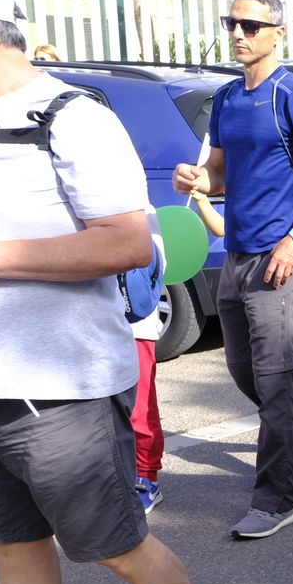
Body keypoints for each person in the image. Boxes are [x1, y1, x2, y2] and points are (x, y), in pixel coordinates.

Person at [0, 0, 249, 584]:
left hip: (62, 387)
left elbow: (126, 243)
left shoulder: (70, 118)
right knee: (12, 543)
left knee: (114, 542)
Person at [172, 0, 293, 540]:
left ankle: (276, 500)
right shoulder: (228, 97)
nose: (238, 33)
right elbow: (220, 173)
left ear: (279, 33)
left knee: (276, 382)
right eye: (231, 23)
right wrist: (197, 179)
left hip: (281, 260)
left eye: (251, 26)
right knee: (244, 372)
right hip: (236, 256)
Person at [129, 208, 168, 513]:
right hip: (88, 322)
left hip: (134, 323)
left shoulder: (137, 204)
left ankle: (146, 477)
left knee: (139, 406)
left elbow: (155, 263)